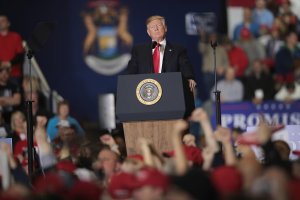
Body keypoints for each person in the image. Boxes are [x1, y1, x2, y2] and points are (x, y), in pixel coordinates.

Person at [127, 15, 196, 92]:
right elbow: (131, 72)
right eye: (152, 27)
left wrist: (189, 78)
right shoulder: (138, 50)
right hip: (146, 92)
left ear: (165, 28)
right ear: (148, 32)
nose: (156, 29)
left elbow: (185, 65)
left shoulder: (178, 50)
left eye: (159, 25)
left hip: (171, 90)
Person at [0, 14, 24, 85]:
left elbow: (20, 56)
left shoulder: (16, 37)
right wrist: (1, 64)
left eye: (3, 21)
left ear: (8, 23)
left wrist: (9, 63)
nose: (0, 23)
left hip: (14, 74)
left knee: (16, 95)